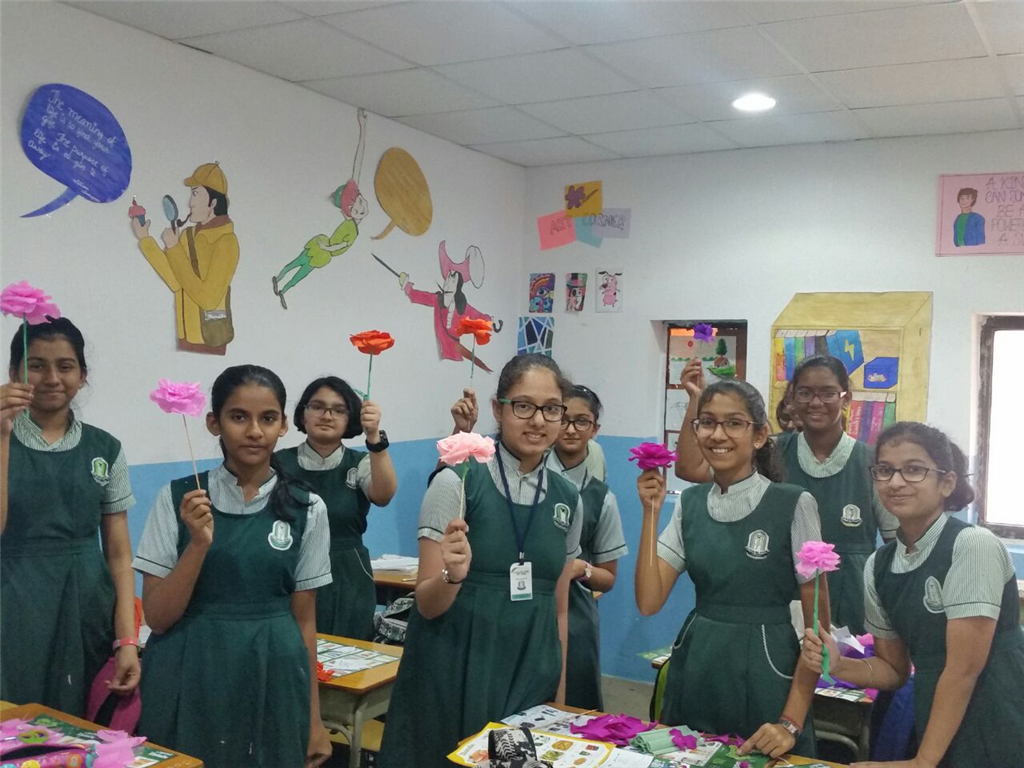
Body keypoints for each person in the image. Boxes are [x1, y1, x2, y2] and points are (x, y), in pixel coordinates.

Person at [378, 354, 583, 768]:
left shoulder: (568, 498)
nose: (538, 420)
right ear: (498, 409)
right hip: (455, 665)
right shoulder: (457, 481)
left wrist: (558, 700)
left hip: (530, 665)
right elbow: (426, 604)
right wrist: (452, 577)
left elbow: (559, 608)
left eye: (551, 409)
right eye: (523, 406)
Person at [133, 365, 332, 767]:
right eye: (239, 417)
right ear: (214, 423)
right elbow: (157, 617)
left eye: (268, 418)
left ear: (283, 426)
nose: (254, 431)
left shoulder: (308, 508)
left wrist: (314, 720)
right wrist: (198, 545)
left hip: (272, 667)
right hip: (188, 665)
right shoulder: (176, 499)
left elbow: (305, 620)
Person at [802, 422, 1024, 768]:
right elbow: (894, 670)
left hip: (998, 710)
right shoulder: (879, 565)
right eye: (885, 470)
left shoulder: (971, 545)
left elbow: (963, 671)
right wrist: (838, 663)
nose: (896, 482)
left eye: (914, 469)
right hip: (937, 714)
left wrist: (922, 761)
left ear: (946, 483)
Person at [638, 380, 826, 759]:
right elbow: (648, 601)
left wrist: (791, 722)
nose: (717, 435)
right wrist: (650, 513)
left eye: (734, 423)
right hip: (698, 660)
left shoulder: (795, 504)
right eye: (707, 422)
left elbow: (817, 632)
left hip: (768, 666)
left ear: (759, 436)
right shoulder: (690, 503)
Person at [675, 355, 896, 635]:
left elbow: (897, 545)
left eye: (828, 393)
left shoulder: (872, 463)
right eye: (805, 393)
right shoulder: (770, 450)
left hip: (854, 606)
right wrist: (696, 399)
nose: (816, 402)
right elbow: (690, 468)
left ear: (846, 398)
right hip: (778, 606)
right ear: (792, 399)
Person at [0, 318, 140, 715]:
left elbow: (119, 554)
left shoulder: (106, 448)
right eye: (36, 365)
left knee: (78, 721)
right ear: (14, 372)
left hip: (85, 605)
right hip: (11, 600)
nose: (51, 378)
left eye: (65, 366)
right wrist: (2, 435)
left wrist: (127, 640)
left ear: (82, 375)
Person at [275, 376, 396, 639]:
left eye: (339, 410)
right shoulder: (278, 464)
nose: (327, 415)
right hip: (290, 569)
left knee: (350, 652)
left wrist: (374, 437)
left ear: (350, 418)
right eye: (317, 406)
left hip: (348, 573)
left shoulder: (360, 462)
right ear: (303, 414)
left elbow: (383, 495)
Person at [548, 385, 627, 710]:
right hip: (527, 606)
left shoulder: (602, 498)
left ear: (594, 429)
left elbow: (608, 578)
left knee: (576, 711)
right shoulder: (528, 479)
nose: (570, 429)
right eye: (563, 418)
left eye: (581, 421)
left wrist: (582, 569)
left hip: (576, 615)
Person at [131, 162, 239, 354]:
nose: (190, 202)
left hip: (210, 339)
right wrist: (145, 239)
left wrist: (174, 249)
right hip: (185, 338)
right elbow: (176, 283)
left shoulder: (226, 242)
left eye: (195, 194)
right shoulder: (188, 235)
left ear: (213, 203)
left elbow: (208, 298)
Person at [273, 109, 369, 309]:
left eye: (360, 202)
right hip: (323, 249)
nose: (361, 208)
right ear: (347, 214)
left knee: (301, 270)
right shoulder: (352, 230)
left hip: (324, 249)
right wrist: (362, 126)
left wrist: (363, 126)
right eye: (355, 208)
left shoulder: (352, 225)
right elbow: (340, 245)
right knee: (298, 264)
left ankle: (283, 288)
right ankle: (279, 279)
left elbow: (358, 163)